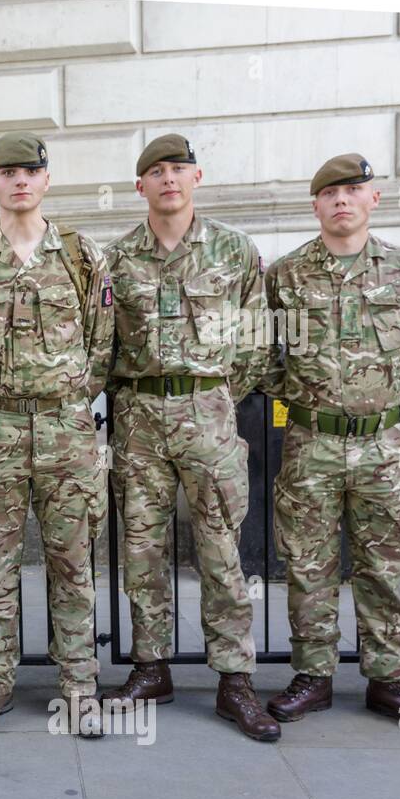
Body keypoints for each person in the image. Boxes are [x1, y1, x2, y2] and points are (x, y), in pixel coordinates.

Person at [263, 153, 400, 734]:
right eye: (329, 192)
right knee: (308, 567)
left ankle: (390, 682)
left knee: (384, 567)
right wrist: (295, 392)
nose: (341, 199)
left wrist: (394, 387)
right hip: (310, 444)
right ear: (315, 205)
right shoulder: (286, 276)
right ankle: (313, 677)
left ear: (374, 198)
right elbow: (255, 350)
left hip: (382, 447)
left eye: (353, 189)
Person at [101, 134, 279, 741]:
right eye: (156, 171)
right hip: (140, 419)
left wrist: (218, 395)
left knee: (221, 551)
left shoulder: (234, 249)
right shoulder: (117, 259)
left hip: (208, 415)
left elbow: (258, 339)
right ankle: (151, 667)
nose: (168, 179)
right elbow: (104, 346)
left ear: (196, 177)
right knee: (142, 551)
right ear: (140, 186)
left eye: (178, 168)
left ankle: (235, 679)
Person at [0, 132, 114, 735]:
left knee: (73, 564)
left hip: (67, 429)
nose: (19, 180)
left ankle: (79, 687)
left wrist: (62, 400)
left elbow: (104, 344)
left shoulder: (82, 256)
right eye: (7, 171)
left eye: (30, 171)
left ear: (46, 179)